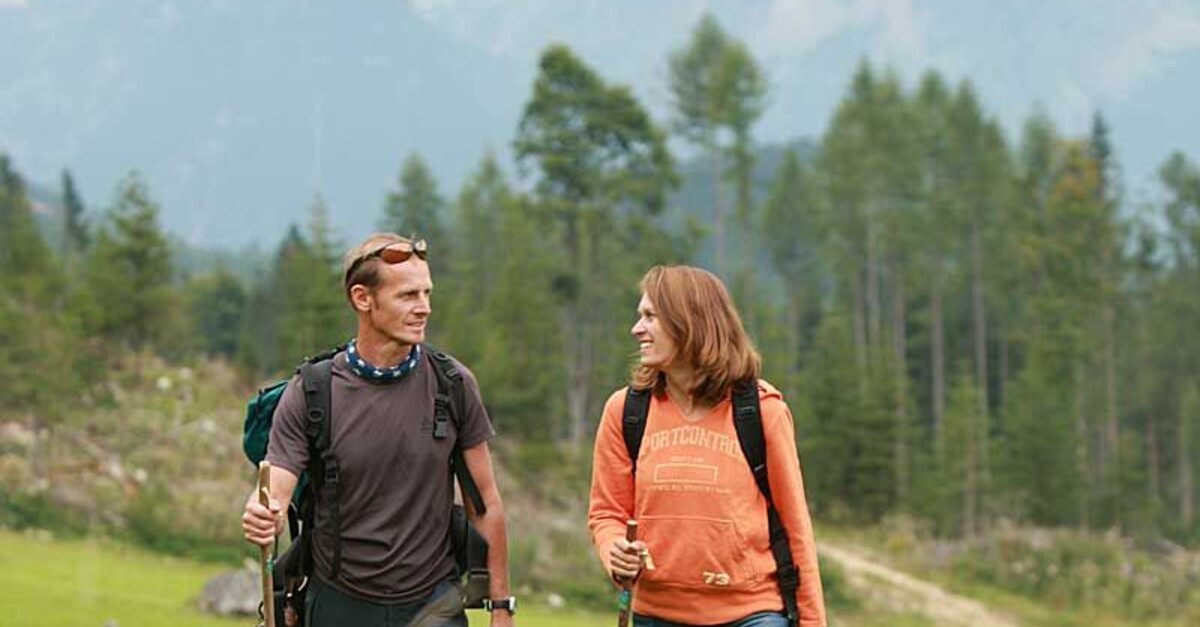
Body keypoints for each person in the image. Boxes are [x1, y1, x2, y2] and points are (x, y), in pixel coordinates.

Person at [242, 233, 516, 627]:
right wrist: (262, 512)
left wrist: (501, 608)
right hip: (340, 604)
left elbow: (485, 505)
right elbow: (276, 489)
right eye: (408, 296)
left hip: (433, 604)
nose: (424, 308)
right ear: (362, 299)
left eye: (427, 293)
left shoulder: (453, 385)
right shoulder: (313, 391)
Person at [588, 265, 826, 627]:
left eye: (650, 317)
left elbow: (796, 530)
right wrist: (614, 550)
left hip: (753, 615)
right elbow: (607, 513)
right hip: (655, 616)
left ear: (689, 323)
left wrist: (812, 623)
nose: (636, 330)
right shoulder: (625, 411)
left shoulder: (762, 412)